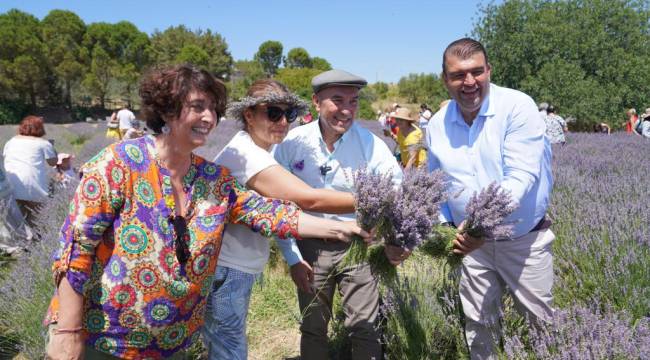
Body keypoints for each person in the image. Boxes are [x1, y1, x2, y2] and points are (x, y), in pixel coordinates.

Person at [44, 64, 370, 359]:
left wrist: (342, 229)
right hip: (107, 342)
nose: (209, 118)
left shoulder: (213, 179)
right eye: (198, 107)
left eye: (213, 109)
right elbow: (75, 250)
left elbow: (272, 214)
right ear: (168, 110)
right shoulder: (119, 163)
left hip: (174, 343)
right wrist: (68, 331)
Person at [203, 79, 369, 359]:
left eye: (289, 114)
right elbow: (308, 199)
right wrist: (374, 201)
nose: (283, 121)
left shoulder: (257, 151)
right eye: (273, 113)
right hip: (227, 269)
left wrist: (292, 258)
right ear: (249, 115)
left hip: (234, 267)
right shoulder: (247, 156)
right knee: (229, 350)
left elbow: (275, 212)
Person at [426, 38, 554, 359]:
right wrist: (446, 228)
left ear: (489, 71)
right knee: (479, 327)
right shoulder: (437, 125)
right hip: (471, 248)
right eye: (458, 75)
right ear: (445, 79)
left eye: (476, 72)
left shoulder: (517, 107)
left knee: (541, 326)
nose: (469, 82)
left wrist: (478, 225)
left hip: (523, 242)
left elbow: (522, 176)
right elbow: (436, 185)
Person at [274, 69, 407, 360]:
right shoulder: (292, 143)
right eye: (337, 100)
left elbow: (396, 191)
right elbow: (277, 206)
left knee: (365, 327)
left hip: (357, 247)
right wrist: (293, 258)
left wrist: (396, 239)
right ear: (316, 102)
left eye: (354, 101)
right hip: (310, 248)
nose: (346, 110)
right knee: (313, 327)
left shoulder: (370, 144)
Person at [2, 115, 58, 226]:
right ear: (40, 128)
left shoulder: (11, 141)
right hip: (33, 186)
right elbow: (53, 162)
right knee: (38, 222)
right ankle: (38, 241)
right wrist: (52, 147)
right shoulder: (43, 143)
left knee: (18, 225)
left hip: (11, 186)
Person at [0, 153, 32, 254]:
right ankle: (22, 244)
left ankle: (19, 246)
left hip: (5, 189)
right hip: (5, 189)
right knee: (12, 219)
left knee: (10, 221)